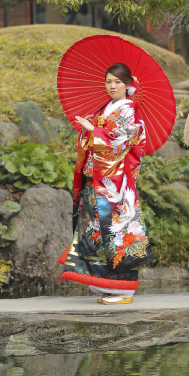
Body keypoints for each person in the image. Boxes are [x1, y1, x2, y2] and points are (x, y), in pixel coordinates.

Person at [59, 63, 153, 305]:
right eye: (109, 81)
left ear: (128, 85)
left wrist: (96, 131)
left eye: (118, 82)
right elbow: (97, 136)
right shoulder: (106, 108)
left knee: (117, 232)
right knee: (95, 231)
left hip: (115, 184)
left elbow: (126, 139)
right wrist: (89, 130)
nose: (112, 86)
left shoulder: (130, 110)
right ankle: (107, 284)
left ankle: (124, 288)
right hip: (98, 179)